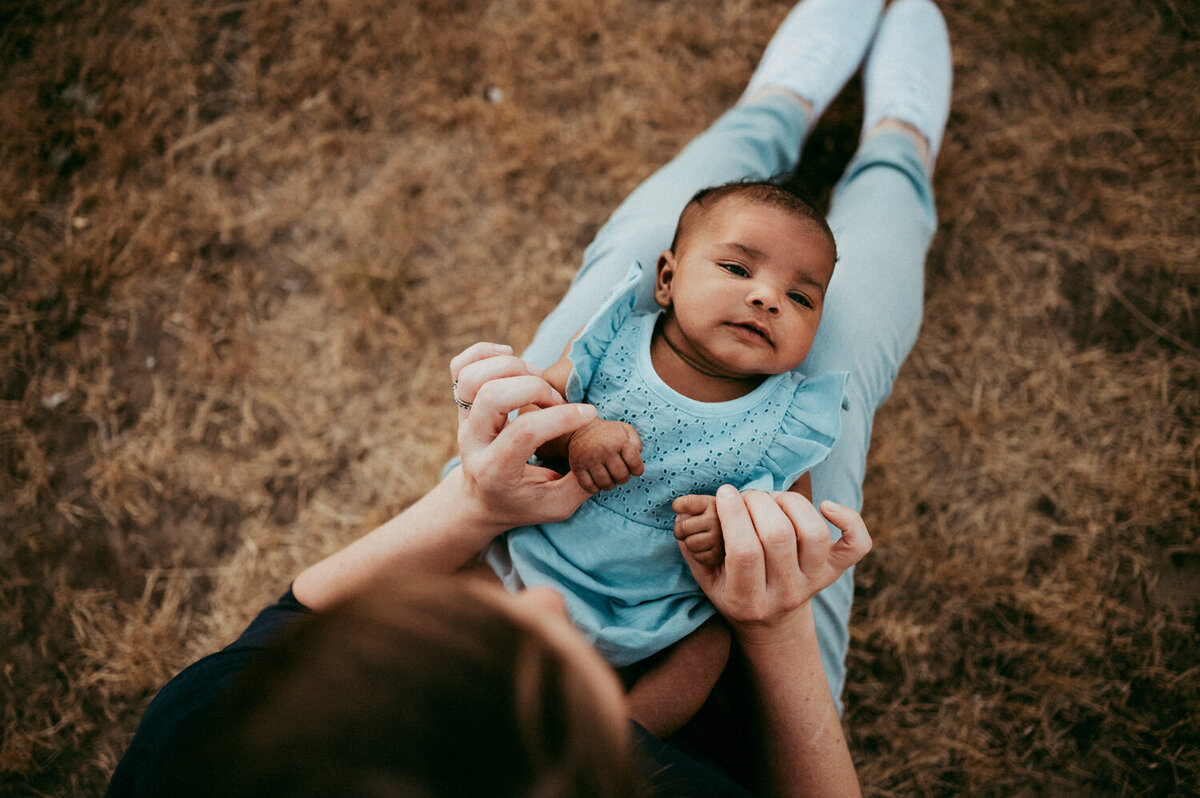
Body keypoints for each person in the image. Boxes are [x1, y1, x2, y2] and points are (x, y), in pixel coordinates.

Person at [107, 0, 952, 793]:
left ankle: (778, 105)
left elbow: (292, 617)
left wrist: (496, 487)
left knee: (660, 225)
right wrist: (768, 600)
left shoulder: (206, 753)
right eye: (748, 278)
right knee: (855, 309)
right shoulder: (791, 404)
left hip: (525, 528)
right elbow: (794, 498)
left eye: (793, 295)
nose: (770, 298)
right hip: (711, 613)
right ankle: (899, 146)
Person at [479, 180, 850, 738]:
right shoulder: (613, 339)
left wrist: (732, 528)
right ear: (667, 278)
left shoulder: (789, 418)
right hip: (534, 560)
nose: (768, 298)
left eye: (800, 298)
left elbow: (786, 522)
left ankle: (619, 739)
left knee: (713, 645)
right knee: (461, 570)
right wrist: (576, 438)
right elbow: (532, 416)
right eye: (737, 269)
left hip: (663, 609)